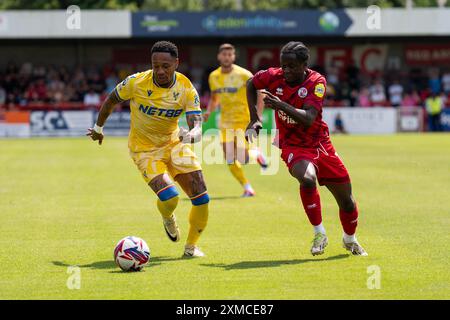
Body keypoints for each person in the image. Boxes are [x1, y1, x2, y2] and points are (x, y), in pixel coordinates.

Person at [87, 41, 209, 258]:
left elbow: (197, 124)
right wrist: (98, 128)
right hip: (144, 149)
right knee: (170, 197)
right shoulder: (136, 82)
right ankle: (167, 217)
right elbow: (111, 100)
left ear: (176, 64)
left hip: (173, 144)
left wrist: (191, 135)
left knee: (201, 196)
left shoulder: (186, 88)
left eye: (166, 66)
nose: (160, 71)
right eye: (156, 66)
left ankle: (191, 247)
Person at [246, 41, 368, 256]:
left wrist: (281, 105)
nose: (286, 71)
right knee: (307, 178)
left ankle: (350, 239)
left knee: (347, 202)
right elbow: (250, 83)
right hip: (293, 144)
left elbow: (309, 118)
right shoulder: (274, 76)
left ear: (304, 65)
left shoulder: (317, 82)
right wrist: (254, 118)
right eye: (283, 65)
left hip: (321, 144)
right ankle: (319, 233)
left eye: (292, 66)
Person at [205, 43, 267, 197]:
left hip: (243, 120)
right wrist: (208, 112)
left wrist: (258, 115)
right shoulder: (214, 76)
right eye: (224, 54)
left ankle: (255, 153)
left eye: (229, 54)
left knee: (242, 158)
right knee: (229, 158)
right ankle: (247, 187)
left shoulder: (244, 74)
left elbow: (261, 93)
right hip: (225, 123)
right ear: (219, 56)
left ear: (233, 57)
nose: (226, 57)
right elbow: (214, 98)